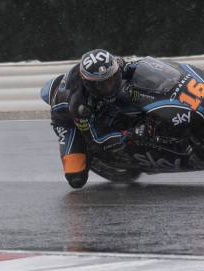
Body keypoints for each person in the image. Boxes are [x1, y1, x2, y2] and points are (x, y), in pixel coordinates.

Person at [40, 49, 145, 188]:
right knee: (76, 179)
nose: (110, 86)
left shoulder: (115, 64)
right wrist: (126, 135)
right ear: (90, 85)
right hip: (69, 121)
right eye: (103, 84)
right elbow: (95, 139)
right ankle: (90, 157)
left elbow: (141, 68)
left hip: (95, 101)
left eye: (112, 79)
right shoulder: (79, 104)